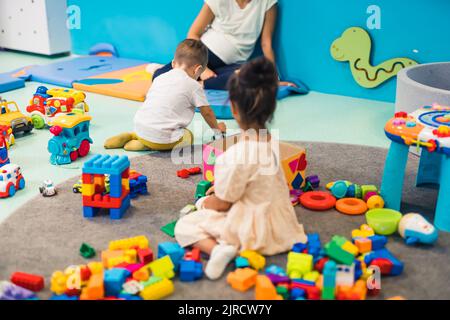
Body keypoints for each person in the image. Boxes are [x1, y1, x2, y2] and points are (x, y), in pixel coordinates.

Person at [175, 57, 307, 280]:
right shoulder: (270, 144)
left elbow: (224, 203)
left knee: (185, 226)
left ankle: (218, 249)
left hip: (250, 227)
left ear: (234, 109)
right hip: (280, 225)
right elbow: (253, 181)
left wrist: (204, 203)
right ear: (270, 109)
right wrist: (223, 186)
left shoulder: (233, 156)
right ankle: (226, 244)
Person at [104, 39, 226, 151]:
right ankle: (147, 146)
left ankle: (133, 136)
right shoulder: (194, 86)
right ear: (197, 70)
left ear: (173, 63)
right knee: (188, 136)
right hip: (161, 137)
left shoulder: (160, 78)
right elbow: (207, 112)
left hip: (140, 126)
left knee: (153, 126)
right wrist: (217, 131)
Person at [153, 0, 296, 90]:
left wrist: (272, 79)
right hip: (204, 55)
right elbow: (193, 33)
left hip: (233, 64)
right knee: (159, 77)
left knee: (253, 76)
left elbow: (266, 43)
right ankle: (189, 75)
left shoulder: (268, 3)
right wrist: (203, 69)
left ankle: (200, 83)